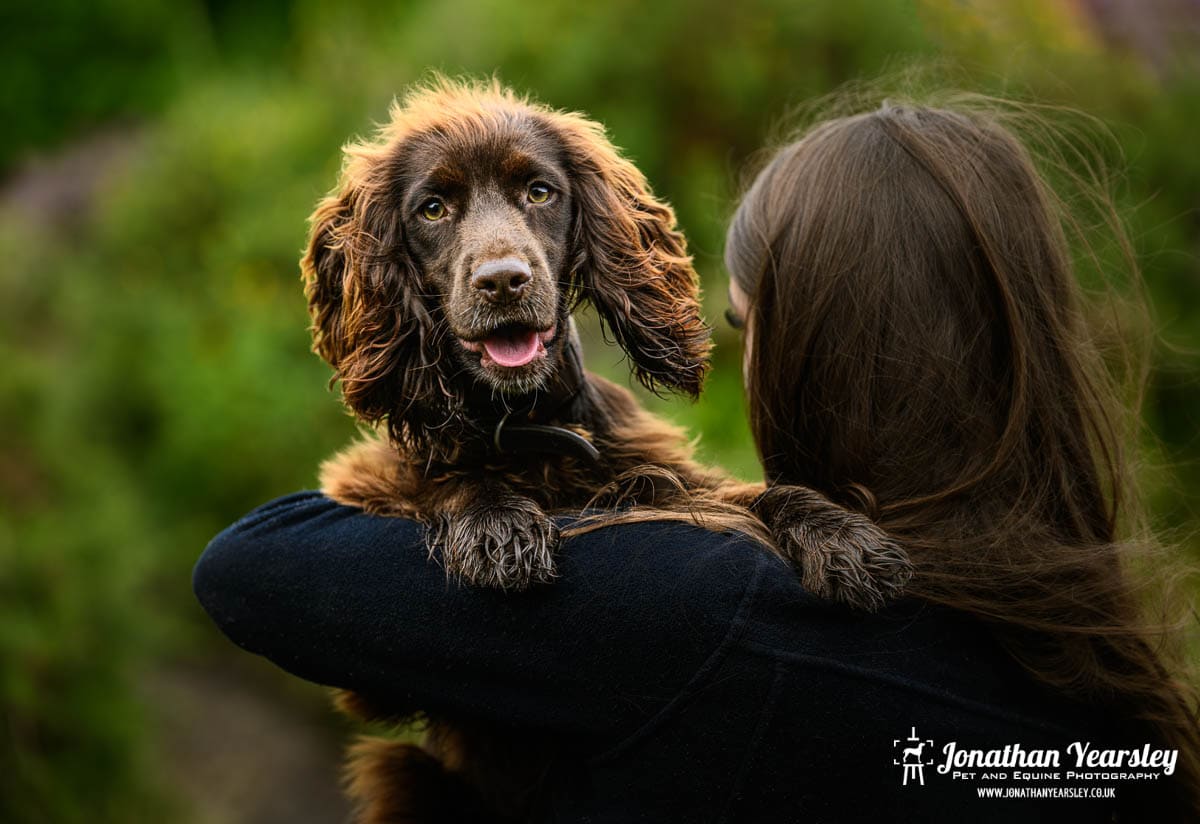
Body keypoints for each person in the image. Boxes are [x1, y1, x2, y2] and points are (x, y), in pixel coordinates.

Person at [194, 97, 1200, 821]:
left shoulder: (697, 610)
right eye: (441, 210)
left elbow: (248, 569)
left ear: (819, 352)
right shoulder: (1110, 706)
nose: (503, 255)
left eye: (745, 323)